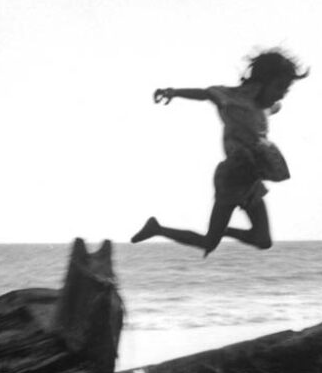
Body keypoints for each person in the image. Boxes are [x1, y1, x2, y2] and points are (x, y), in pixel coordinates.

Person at [131, 49, 308, 256]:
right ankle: (156, 228)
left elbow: (275, 106)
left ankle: (222, 231)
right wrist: (173, 92)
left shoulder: (265, 107)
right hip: (232, 177)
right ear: (261, 82)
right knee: (209, 243)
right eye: (279, 87)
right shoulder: (233, 99)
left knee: (263, 240)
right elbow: (206, 94)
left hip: (252, 180)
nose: (282, 94)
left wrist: (275, 101)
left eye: (286, 90)